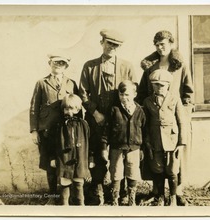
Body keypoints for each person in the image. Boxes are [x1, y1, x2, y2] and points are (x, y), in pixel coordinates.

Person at [79, 29, 136, 205]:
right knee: (98, 155)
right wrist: (95, 113)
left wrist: (125, 114)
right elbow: (83, 92)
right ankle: (98, 191)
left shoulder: (127, 66)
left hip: (119, 120)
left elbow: (134, 92)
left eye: (116, 45)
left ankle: (123, 192)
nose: (112, 47)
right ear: (102, 42)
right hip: (96, 120)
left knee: (122, 155)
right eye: (109, 43)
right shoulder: (90, 66)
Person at [137, 30, 194, 206]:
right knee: (155, 157)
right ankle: (157, 192)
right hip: (154, 116)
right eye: (157, 45)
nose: (161, 48)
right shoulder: (150, 67)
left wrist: (183, 113)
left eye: (164, 44)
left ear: (171, 44)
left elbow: (188, 92)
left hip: (174, 119)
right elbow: (142, 93)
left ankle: (177, 192)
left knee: (175, 159)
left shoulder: (180, 65)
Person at [30, 52, 79, 205]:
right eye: (55, 62)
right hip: (48, 131)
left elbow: (78, 106)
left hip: (66, 132)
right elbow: (34, 107)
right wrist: (34, 130)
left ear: (66, 66)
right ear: (50, 63)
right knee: (50, 163)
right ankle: (53, 196)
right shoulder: (41, 83)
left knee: (67, 162)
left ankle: (68, 196)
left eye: (62, 63)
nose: (58, 66)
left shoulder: (71, 83)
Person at [143, 69, 187, 206]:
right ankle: (160, 196)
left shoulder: (175, 99)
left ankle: (173, 197)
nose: (158, 88)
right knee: (157, 168)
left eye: (162, 85)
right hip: (155, 139)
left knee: (172, 169)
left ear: (168, 85)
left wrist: (181, 143)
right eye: (155, 85)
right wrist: (147, 142)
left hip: (172, 140)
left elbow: (182, 122)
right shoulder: (148, 101)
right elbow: (145, 124)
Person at [101, 80, 146, 206]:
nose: (124, 98)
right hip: (117, 148)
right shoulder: (114, 110)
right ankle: (115, 199)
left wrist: (142, 149)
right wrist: (104, 148)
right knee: (116, 173)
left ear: (134, 94)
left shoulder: (140, 111)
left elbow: (144, 131)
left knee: (132, 172)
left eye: (127, 95)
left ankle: (131, 200)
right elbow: (106, 131)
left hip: (134, 149)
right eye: (121, 95)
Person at [50, 94, 90, 206]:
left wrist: (90, 159)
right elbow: (52, 144)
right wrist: (52, 158)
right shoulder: (59, 125)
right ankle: (65, 207)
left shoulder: (84, 124)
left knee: (79, 184)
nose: (69, 111)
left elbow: (89, 143)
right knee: (65, 183)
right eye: (66, 109)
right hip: (64, 159)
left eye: (71, 108)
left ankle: (80, 207)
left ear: (77, 109)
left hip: (80, 159)